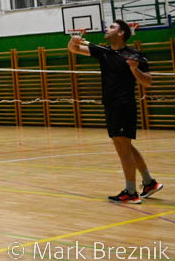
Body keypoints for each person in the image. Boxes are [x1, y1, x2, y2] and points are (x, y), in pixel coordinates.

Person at [68, 20, 162, 203]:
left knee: (123, 147)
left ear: (121, 33)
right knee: (125, 146)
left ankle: (131, 192)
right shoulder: (104, 52)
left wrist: (134, 69)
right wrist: (73, 41)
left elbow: (148, 82)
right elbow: (75, 49)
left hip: (123, 104)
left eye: (112, 27)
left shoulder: (135, 55)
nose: (107, 29)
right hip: (110, 104)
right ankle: (149, 182)